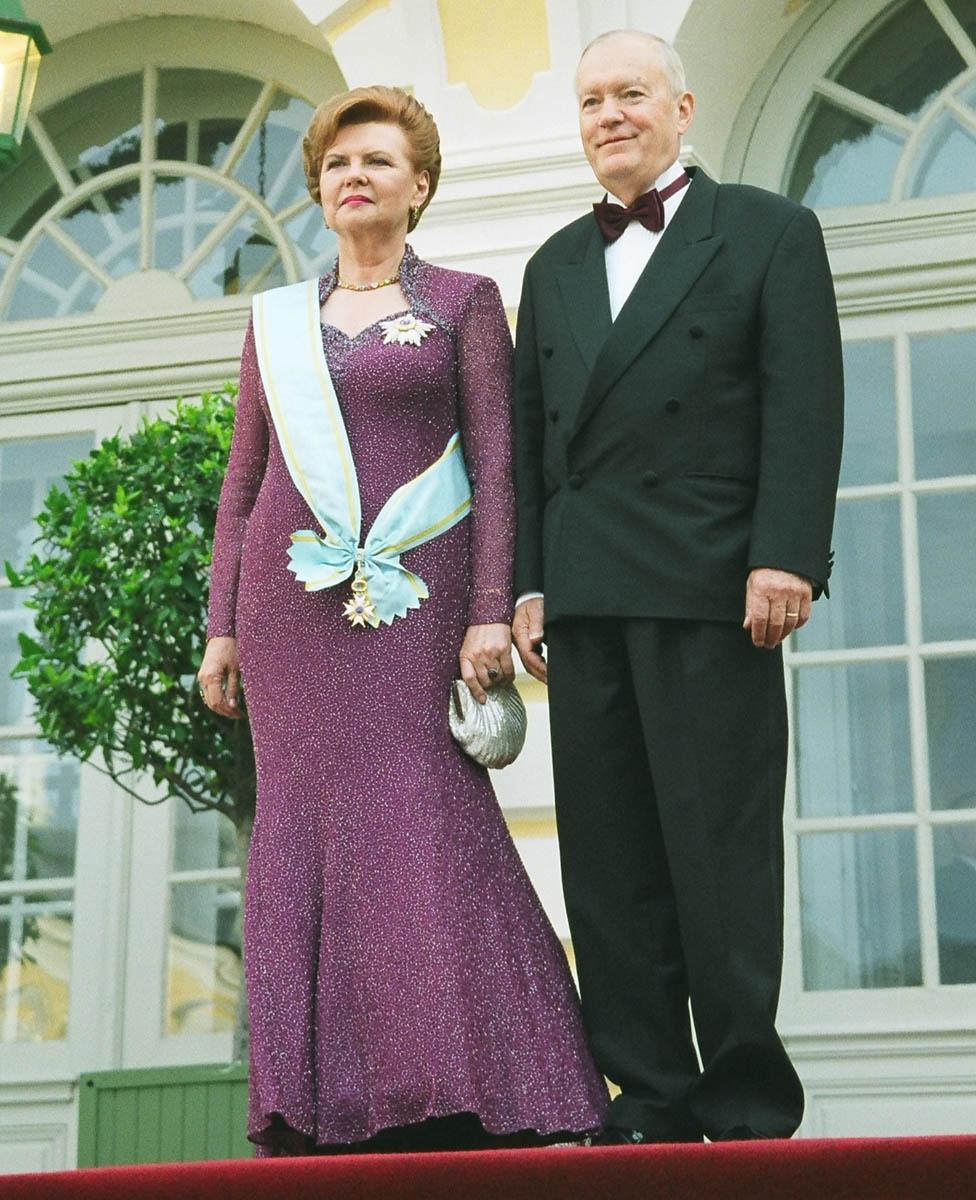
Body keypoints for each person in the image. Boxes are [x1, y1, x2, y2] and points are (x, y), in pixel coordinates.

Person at [198, 85, 608, 1156]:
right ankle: (314, 1103)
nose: (356, 177)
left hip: (419, 610)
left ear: (418, 185)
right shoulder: (277, 322)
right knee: (302, 832)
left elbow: (498, 462)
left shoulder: (466, 302)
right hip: (290, 616)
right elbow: (244, 484)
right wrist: (221, 627)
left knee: (422, 817)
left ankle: (471, 1085)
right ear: (321, 190)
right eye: (338, 164)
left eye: (378, 161)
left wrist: (487, 607)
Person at [511, 31, 844, 1144]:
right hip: (588, 592)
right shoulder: (553, 262)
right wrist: (525, 584)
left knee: (718, 853)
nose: (609, 113)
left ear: (683, 106)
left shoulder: (768, 231)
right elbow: (526, 440)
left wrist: (786, 552)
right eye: (591, 98)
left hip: (714, 583)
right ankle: (646, 1094)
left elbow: (804, 403)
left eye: (631, 93)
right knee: (608, 865)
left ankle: (746, 1095)